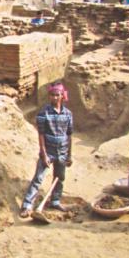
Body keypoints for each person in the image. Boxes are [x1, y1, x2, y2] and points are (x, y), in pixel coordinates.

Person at [20, 82, 74, 218]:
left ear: (62, 96)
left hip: (62, 151)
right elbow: (41, 135)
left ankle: (55, 201)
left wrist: (69, 155)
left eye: (57, 95)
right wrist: (44, 154)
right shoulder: (43, 113)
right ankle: (27, 205)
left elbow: (69, 135)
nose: (55, 98)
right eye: (52, 95)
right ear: (49, 96)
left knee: (59, 178)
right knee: (38, 178)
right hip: (48, 151)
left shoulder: (68, 114)